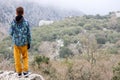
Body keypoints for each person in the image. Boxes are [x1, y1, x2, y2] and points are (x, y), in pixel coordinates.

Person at [9, 7, 31, 78]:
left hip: (16, 43)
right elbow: (28, 34)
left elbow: (10, 33)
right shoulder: (26, 22)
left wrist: (15, 37)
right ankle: (25, 72)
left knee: (17, 58)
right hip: (24, 43)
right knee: (25, 57)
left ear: (16, 12)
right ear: (23, 13)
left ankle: (19, 73)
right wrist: (29, 42)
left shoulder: (13, 22)